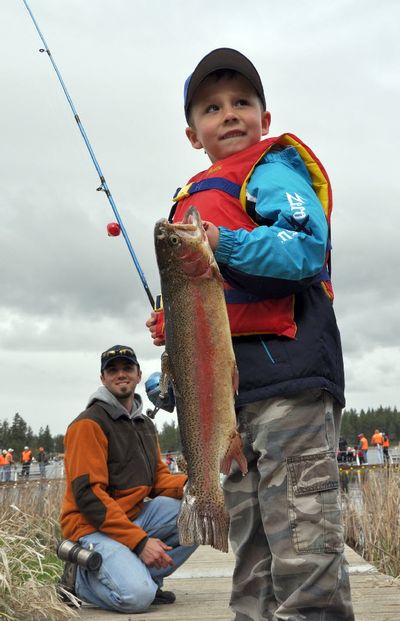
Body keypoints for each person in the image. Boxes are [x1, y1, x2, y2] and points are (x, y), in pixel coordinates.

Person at [146, 48, 354, 620]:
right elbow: (210, 333)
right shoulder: (197, 199)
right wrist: (171, 363)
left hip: (291, 388)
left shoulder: (273, 171)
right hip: (231, 411)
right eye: (212, 107)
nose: (230, 114)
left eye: (243, 102)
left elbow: (305, 249)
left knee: (305, 552)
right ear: (194, 134)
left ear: (265, 118)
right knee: (253, 560)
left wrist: (225, 244)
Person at [59, 345, 197, 613]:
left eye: (127, 368)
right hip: (92, 526)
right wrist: (140, 542)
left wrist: (197, 487)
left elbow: (159, 481)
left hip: (130, 518)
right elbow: (89, 497)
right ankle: (78, 580)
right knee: (135, 598)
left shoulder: (144, 424)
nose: (120, 374)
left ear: (138, 374)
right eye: (112, 370)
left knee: (199, 512)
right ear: (103, 379)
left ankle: (147, 578)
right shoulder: (88, 424)